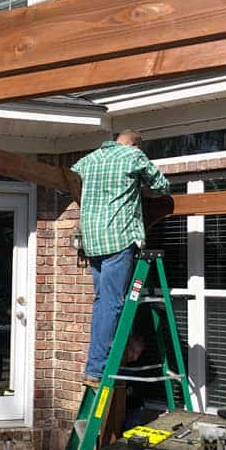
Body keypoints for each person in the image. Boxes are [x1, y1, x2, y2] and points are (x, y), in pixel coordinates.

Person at [71, 130, 170, 387]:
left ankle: (102, 357)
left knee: (102, 302)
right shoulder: (133, 155)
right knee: (112, 303)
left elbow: (77, 178)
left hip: (92, 241)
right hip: (118, 237)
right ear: (136, 144)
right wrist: (141, 188)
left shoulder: (90, 159)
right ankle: (96, 368)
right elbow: (162, 185)